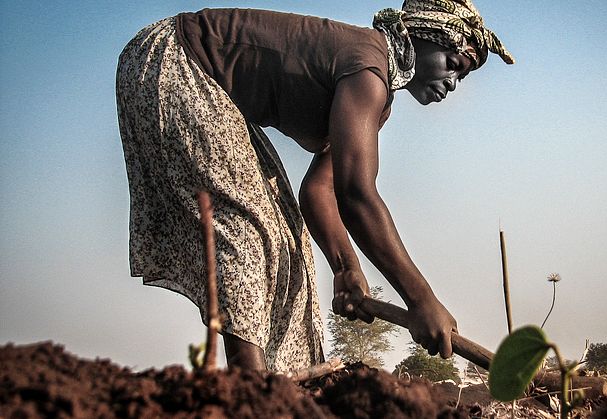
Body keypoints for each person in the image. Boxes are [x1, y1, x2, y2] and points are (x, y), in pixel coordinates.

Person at [115, 0, 513, 373]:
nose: (453, 82)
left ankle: (284, 383)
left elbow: (319, 192)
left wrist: (345, 268)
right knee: (250, 230)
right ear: (424, 37)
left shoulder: (377, 96)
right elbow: (357, 196)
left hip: (194, 75)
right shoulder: (367, 69)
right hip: (176, 59)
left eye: (462, 75)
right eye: (453, 63)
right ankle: (250, 390)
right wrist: (421, 300)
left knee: (291, 241)